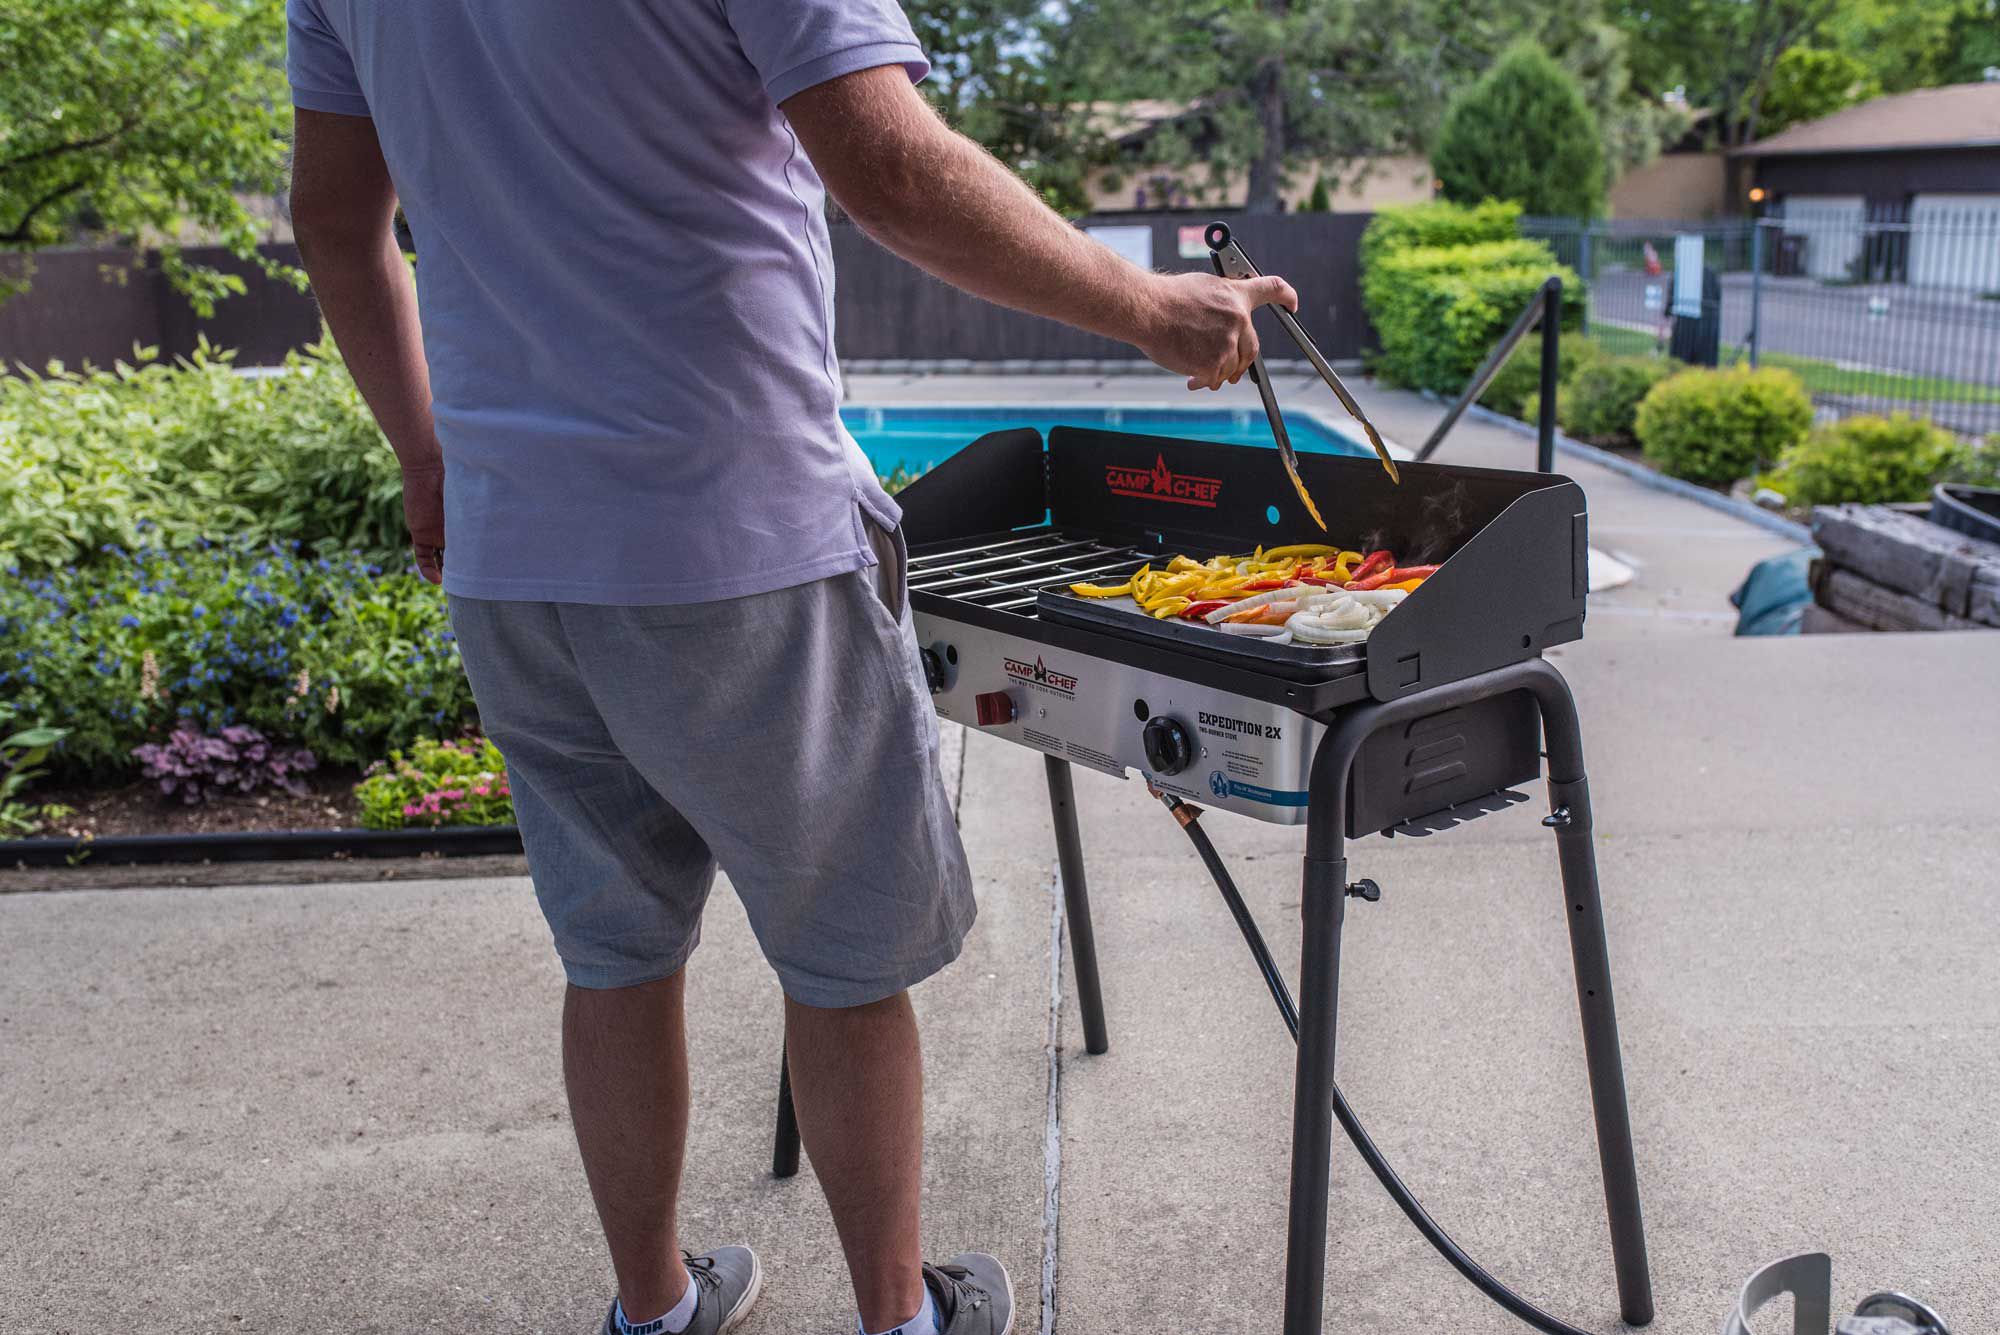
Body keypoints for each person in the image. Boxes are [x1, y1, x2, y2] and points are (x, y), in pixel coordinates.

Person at [284, 3, 1295, 1333]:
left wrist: (426, 458)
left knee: (613, 947)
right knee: (846, 954)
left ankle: (654, 1309)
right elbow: (894, 173)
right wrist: (1154, 308)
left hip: (514, 551)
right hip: (733, 536)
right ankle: (899, 1317)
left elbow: (334, 225)